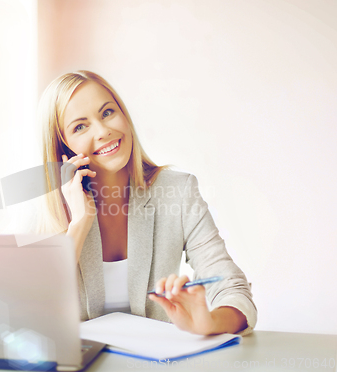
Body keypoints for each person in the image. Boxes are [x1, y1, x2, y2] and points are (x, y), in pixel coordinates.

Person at [36, 70, 257, 336]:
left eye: (107, 112)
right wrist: (79, 224)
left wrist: (208, 323)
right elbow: (33, 313)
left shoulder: (178, 191)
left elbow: (233, 288)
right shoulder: (45, 211)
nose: (104, 131)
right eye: (80, 126)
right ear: (63, 147)